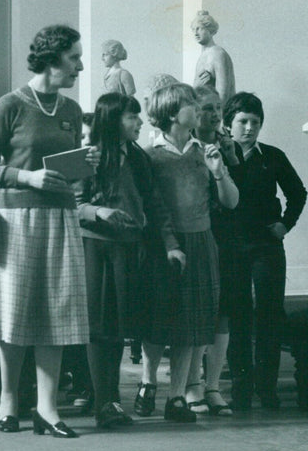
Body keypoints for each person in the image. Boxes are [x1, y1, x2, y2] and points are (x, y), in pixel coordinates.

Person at [0, 24, 98, 438]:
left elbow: (66, 174)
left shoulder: (69, 110)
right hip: (15, 221)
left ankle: (48, 409)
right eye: (74, 58)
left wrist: (83, 164)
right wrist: (29, 179)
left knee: (57, 313)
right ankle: (9, 400)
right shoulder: (10, 105)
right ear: (51, 58)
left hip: (60, 218)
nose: (80, 66)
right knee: (15, 313)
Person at [74, 92, 179, 428]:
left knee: (118, 328)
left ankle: (111, 402)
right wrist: (98, 211)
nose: (140, 122)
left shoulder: (137, 157)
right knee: (98, 328)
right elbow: (69, 205)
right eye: (132, 116)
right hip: (94, 248)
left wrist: (171, 244)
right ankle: (104, 402)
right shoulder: (88, 157)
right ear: (112, 120)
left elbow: (155, 204)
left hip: (129, 249)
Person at [137, 83, 238, 423]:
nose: (198, 110)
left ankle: (177, 396)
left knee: (193, 324)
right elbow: (150, 207)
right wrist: (167, 243)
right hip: (164, 244)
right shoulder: (150, 156)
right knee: (159, 319)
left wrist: (218, 172)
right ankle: (148, 381)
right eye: (190, 105)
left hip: (202, 241)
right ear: (170, 113)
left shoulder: (206, 151)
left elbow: (231, 202)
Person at [217, 92, 307, 410]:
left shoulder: (272, 155)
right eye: (243, 121)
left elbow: (298, 193)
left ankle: (267, 389)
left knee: (270, 315)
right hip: (231, 247)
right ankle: (240, 390)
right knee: (239, 316)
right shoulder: (219, 156)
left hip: (267, 246)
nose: (249, 128)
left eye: (255, 122)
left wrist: (285, 224)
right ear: (229, 125)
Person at [188, 85, 239, 416]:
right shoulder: (185, 144)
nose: (215, 114)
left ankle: (213, 385)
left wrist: (231, 157)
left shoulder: (226, 145)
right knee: (196, 311)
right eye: (207, 108)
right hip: (196, 232)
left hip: (226, 233)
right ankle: (192, 385)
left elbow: (238, 194)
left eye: (218, 107)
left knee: (223, 312)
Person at [192, 11, 236, 103]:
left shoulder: (217, 54)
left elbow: (223, 94)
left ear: (210, 30)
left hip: (218, 113)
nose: (195, 33)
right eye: (193, 29)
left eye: (199, 28)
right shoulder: (202, 57)